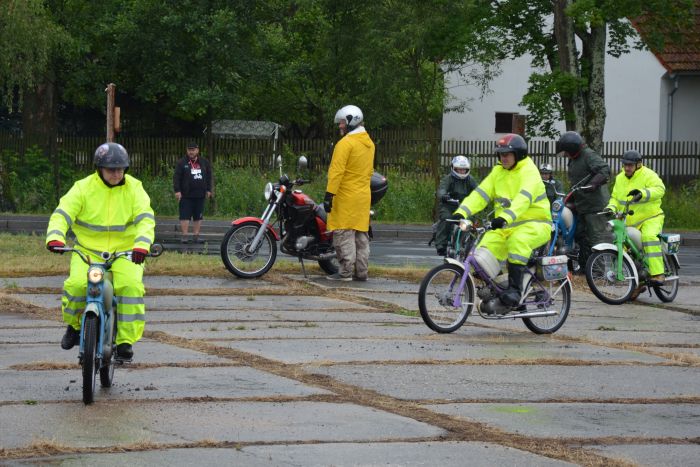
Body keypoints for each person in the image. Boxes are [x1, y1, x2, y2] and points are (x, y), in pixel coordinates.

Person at [46, 143, 155, 360]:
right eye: (111, 169)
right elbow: (62, 213)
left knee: (131, 287)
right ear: (99, 169)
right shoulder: (82, 188)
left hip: (126, 252)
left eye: (120, 169)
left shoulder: (135, 188)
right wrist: (55, 237)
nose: (116, 174)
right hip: (88, 251)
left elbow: (145, 219)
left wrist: (142, 246)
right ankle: (74, 326)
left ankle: (125, 342)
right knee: (76, 286)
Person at [453, 134, 552, 307]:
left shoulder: (530, 172)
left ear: (518, 154)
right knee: (482, 253)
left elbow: (523, 199)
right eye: (500, 154)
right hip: (506, 226)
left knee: (517, 242)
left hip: (535, 224)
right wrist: (461, 212)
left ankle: (515, 291)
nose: (503, 158)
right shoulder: (498, 172)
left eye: (507, 154)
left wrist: (504, 217)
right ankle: (499, 288)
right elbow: (480, 194)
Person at [323, 104, 375, 281]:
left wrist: (329, 194)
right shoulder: (369, 144)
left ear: (352, 121)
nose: (340, 126)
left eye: (342, 123)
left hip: (346, 196)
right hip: (363, 196)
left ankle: (345, 272)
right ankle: (361, 272)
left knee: (343, 234)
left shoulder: (345, 144)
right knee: (361, 236)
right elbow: (369, 171)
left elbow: (336, 172)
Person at [606, 150, 666, 297]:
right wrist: (611, 207)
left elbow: (660, 190)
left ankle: (658, 274)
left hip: (650, 217)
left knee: (649, 238)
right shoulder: (620, 178)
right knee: (623, 247)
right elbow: (615, 198)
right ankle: (636, 284)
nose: (627, 168)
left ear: (638, 165)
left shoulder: (648, 174)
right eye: (625, 165)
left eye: (630, 165)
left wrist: (642, 193)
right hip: (629, 221)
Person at [556, 131, 611, 269]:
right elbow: (577, 183)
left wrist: (593, 184)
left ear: (572, 148)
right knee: (581, 235)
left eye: (566, 151)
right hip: (582, 206)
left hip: (595, 207)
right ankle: (586, 267)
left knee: (597, 237)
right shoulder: (574, 159)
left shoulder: (588, 155)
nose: (565, 155)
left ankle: (601, 270)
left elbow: (604, 170)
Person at [434, 155, 478, 256]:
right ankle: (441, 245)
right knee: (446, 218)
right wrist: (444, 196)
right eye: (459, 169)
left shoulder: (470, 180)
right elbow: (441, 189)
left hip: (465, 207)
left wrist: (482, 200)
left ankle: (468, 243)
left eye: (464, 169)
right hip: (449, 206)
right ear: (453, 168)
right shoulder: (448, 179)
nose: (462, 171)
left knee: (470, 221)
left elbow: (478, 191)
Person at [173, 142, 212, 244]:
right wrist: (177, 191)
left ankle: (196, 236)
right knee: (184, 215)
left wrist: (209, 190)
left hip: (200, 194)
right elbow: (176, 177)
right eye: (189, 150)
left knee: (198, 216)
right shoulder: (181, 162)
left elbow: (209, 176)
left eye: (193, 150)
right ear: (187, 150)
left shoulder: (204, 162)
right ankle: (185, 236)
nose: (191, 152)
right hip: (186, 195)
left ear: (197, 150)